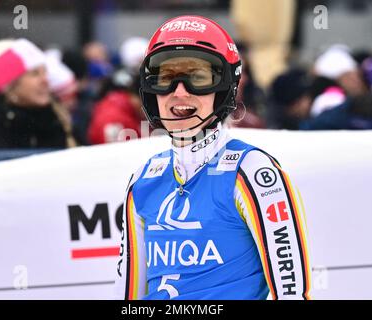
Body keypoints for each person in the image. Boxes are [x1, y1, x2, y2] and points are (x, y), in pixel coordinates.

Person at [114, 15, 311, 300]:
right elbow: (127, 296)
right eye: (165, 78)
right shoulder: (143, 179)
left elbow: (292, 294)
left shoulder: (253, 172)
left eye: (197, 78)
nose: (179, 92)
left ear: (224, 88)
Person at [0, 38, 76, 149]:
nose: (45, 80)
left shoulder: (59, 121)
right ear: (9, 85)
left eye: (44, 72)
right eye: (34, 74)